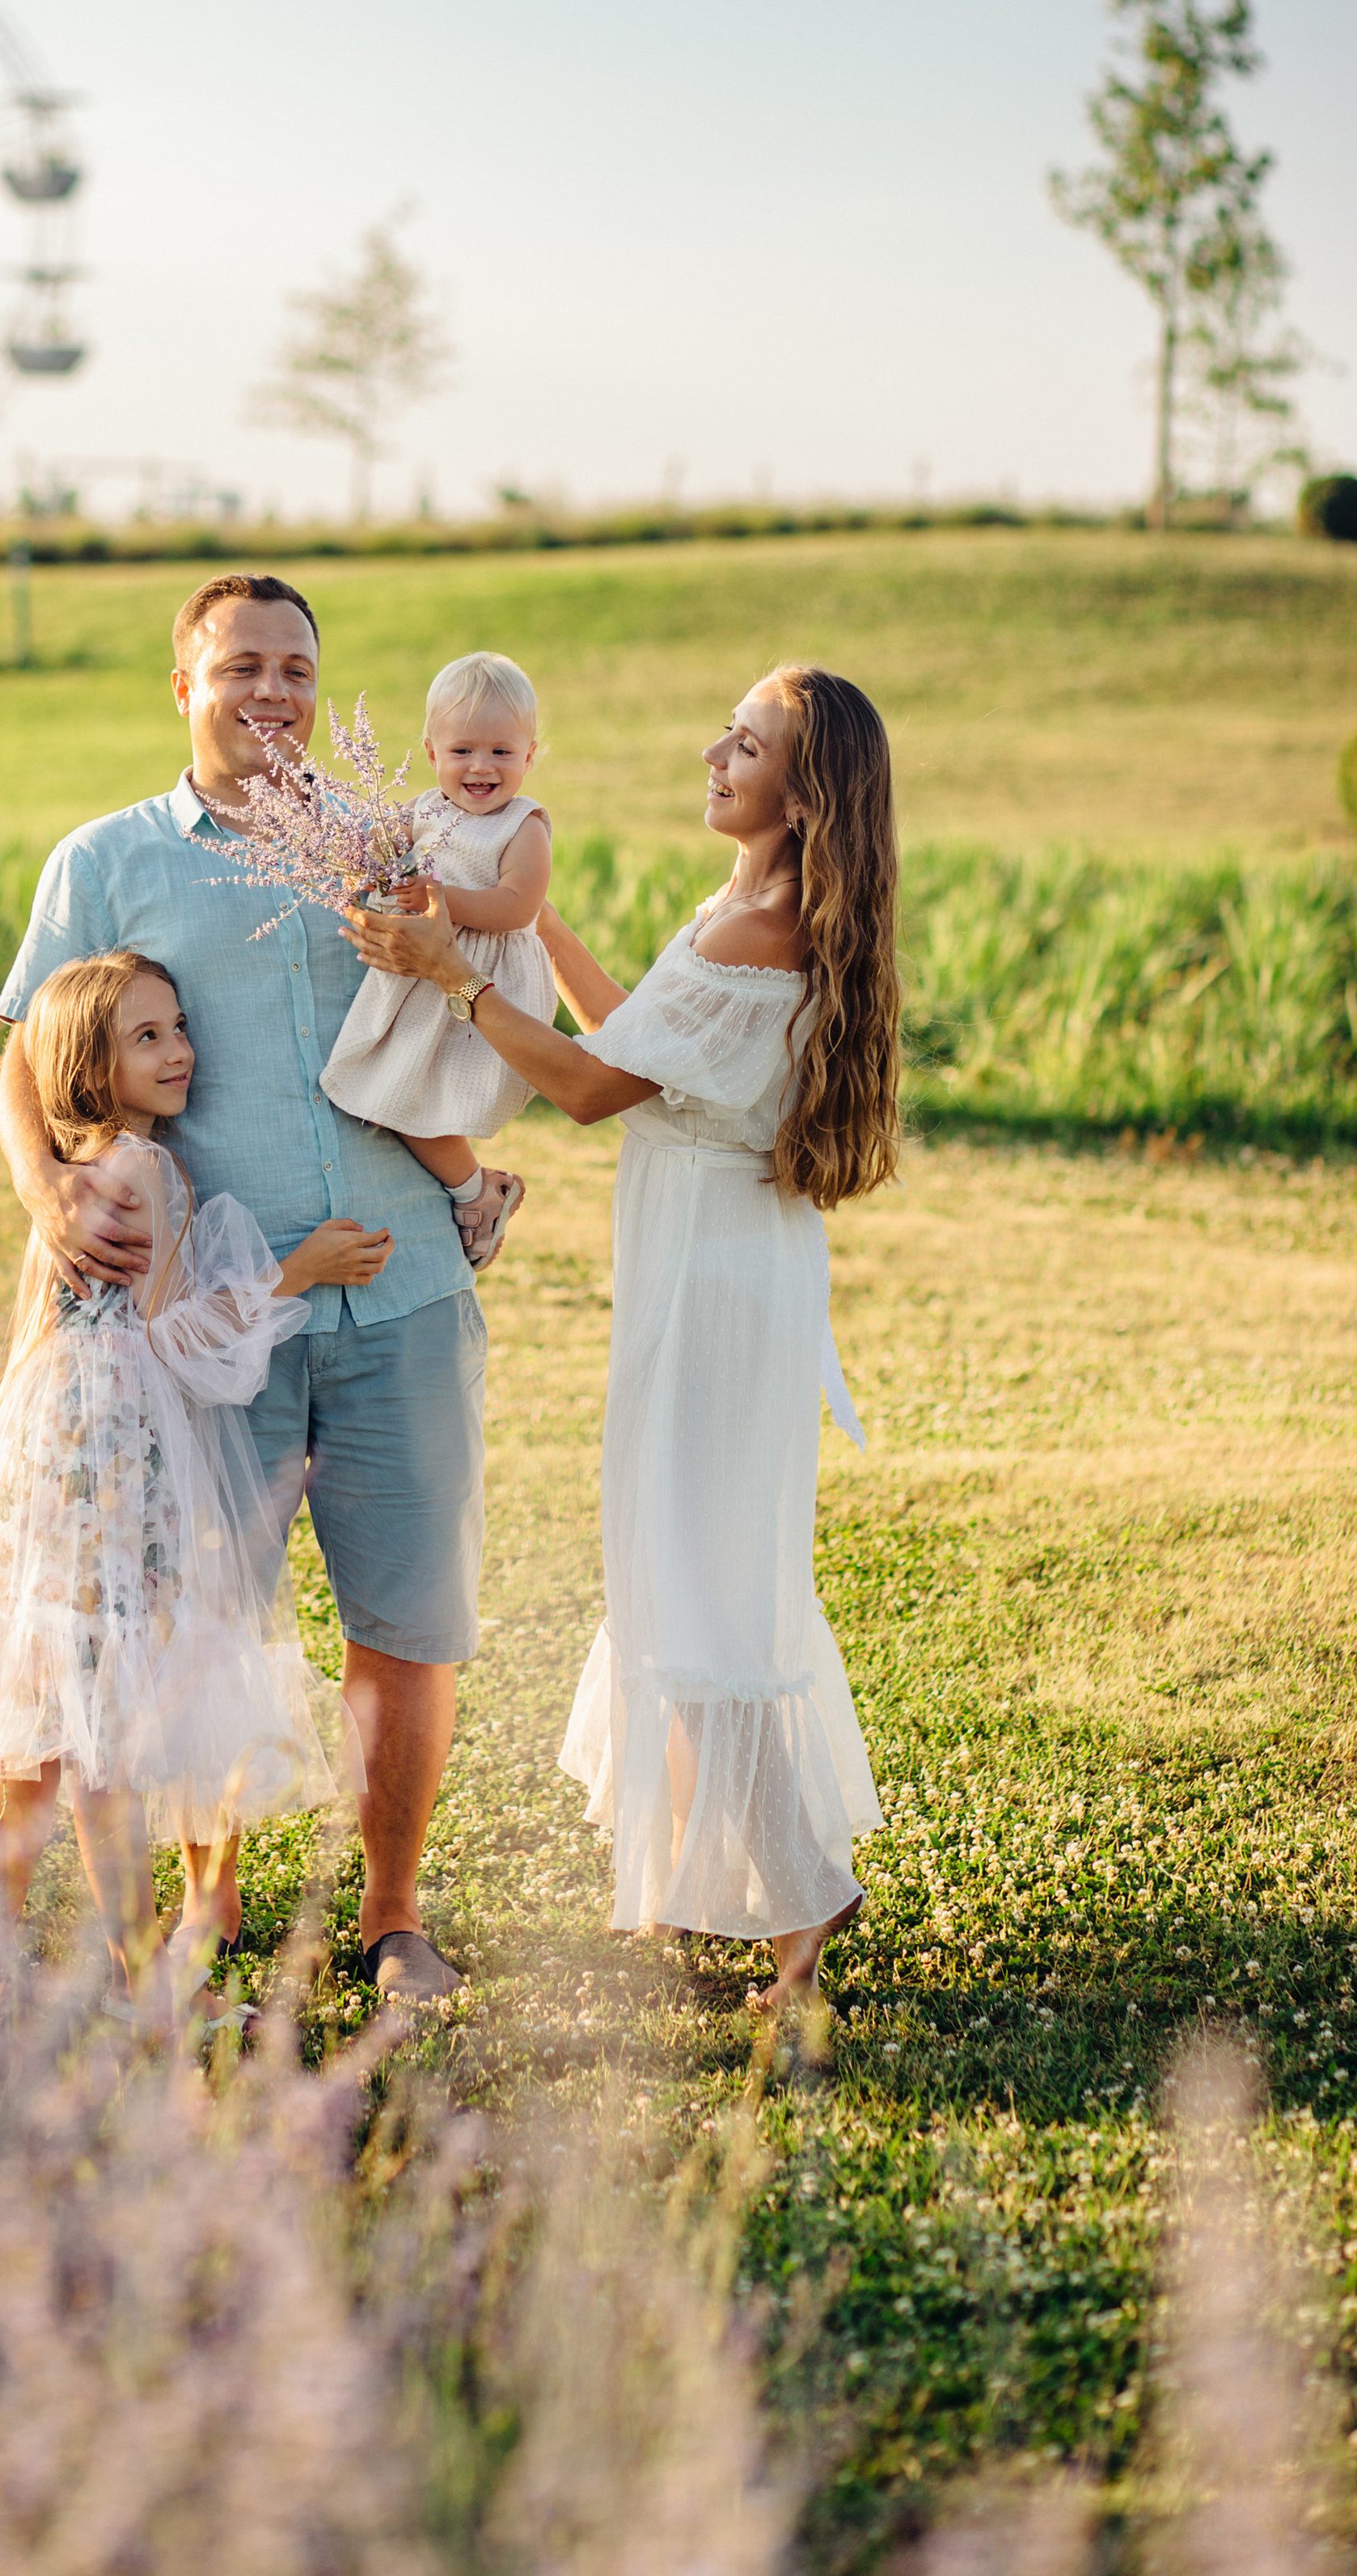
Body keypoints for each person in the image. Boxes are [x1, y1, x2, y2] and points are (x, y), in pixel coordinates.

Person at [0, 575, 524, 2003]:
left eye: (299, 668)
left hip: (401, 1289)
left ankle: (392, 1914)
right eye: (243, 666)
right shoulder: (103, 863)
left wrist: (471, 1175)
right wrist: (48, 1193)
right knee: (204, 1622)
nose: (275, 691)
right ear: (184, 685)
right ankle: (209, 1903)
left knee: (407, 1619)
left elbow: (459, 1002)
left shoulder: (386, 845)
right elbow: (22, 1067)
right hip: (211, 1323)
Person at [348, 662, 900, 2011]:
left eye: (748, 745)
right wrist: (515, 935)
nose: (715, 755)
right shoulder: (744, 911)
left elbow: (594, 1085)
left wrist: (450, 979)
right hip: (710, 1262)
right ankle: (709, 1877)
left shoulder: (758, 931)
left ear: (805, 789)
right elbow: (628, 1029)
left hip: (715, 1280)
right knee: (680, 1552)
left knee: (709, 1572)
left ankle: (803, 1908)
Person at [0, 951, 372, 2010]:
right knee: (105, 1716)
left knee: (45, 1698)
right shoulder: (144, 1172)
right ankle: (145, 1972)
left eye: (179, 1026)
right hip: (113, 1464)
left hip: (45, 1451)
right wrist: (299, 1272)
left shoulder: (73, 1182)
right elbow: (180, 1339)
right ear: (88, 1066)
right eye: (146, 1037)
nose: (181, 1051)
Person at [320, 650, 556, 1268]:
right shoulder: (424, 811)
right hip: (420, 979)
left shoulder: (522, 825)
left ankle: (474, 1194)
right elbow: (380, 861)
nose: (481, 767)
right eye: (463, 752)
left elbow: (518, 907)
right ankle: (479, 1190)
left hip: (482, 983)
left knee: (415, 1101)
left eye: (502, 753)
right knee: (394, 1094)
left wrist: (442, 900)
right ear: (431, 753)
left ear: (530, 756)